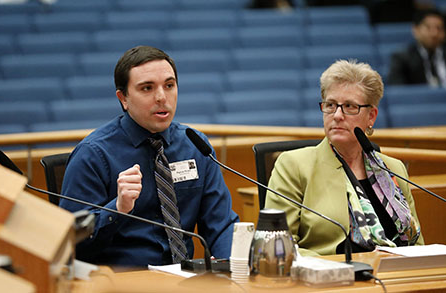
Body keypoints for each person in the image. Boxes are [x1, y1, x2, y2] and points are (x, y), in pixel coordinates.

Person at [60, 46, 239, 267]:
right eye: (147, 88)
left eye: (169, 85)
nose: (162, 97)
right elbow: (69, 241)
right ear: (123, 98)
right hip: (122, 283)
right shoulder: (93, 154)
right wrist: (117, 208)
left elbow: (220, 224)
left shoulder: (195, 146)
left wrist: (232, 265)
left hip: (185, 278)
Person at [265, 60, 424, 257]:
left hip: (397, 278)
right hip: (331, 281)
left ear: (371, 116)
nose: (337, 115)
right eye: (331, 105)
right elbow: (278, 246)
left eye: (349, 106)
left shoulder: (394, 169)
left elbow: (418, 246)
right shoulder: (293, 166)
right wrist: (335, 266)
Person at [387, 8, 446, 87]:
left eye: (439, 28)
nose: (434, 33)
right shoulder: (402, 58)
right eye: (428, 27)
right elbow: (398, 92)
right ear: (416, 30)